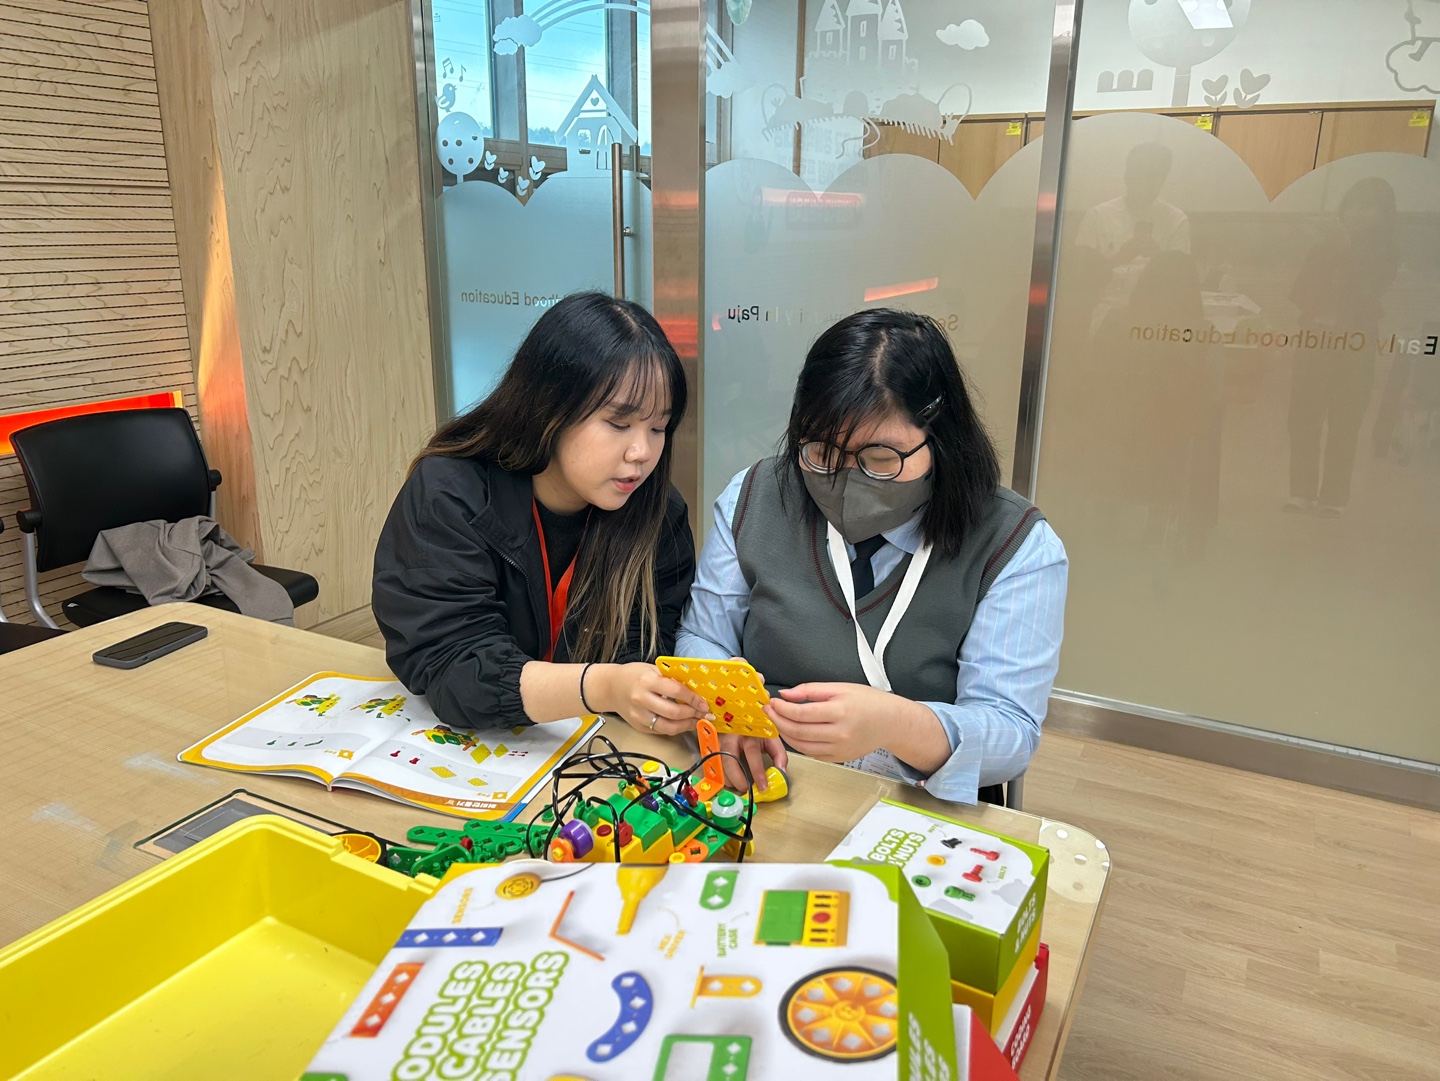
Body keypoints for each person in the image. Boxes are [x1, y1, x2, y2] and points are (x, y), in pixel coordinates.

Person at [677, 309, 1068, 805]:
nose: (847, 482)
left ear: (943, 440)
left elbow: (1011, 733)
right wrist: (730, 711)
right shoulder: (755, 497)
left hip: (917, 799)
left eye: (881, 460)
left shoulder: (1015, 545)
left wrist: (896, 724)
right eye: (822, 454)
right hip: (769, 779)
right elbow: (702, 637)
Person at [373, 292, 709, 735]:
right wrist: (602, 686)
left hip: (583, 745)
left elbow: (644, 648)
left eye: (659, 427)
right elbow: (456, 669)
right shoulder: (449, 494)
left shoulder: (658, 512)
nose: (642, 452)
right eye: (619, 424)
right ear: (550, 407)